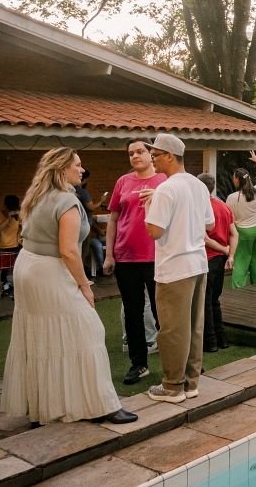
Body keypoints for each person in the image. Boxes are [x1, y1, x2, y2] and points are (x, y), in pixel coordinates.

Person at [1, 147, 136, 425]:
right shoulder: (66, 201)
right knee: (90, 331)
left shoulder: (37, 195)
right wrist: (85, 285)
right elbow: (69, 250)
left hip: (27, 266)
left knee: (42, 336)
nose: (82, 169)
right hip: (49, 271)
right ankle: (102, 406)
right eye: (77, 164)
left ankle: (43, 407)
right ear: (62, 169)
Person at [143, 133, 215, 404]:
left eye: (155, 155)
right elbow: (209, 224)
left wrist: (148, 207)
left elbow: (154, 231)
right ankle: (190, 383)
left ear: (170, 156)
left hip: (174, 266)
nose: (152, 159)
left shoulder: (166, 189)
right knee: (194, 326)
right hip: (198, 264)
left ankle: (172, 386)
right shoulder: (198, 186)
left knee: (173, 329)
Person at [103, 140, 165, 385]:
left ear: (151, 155)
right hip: (126, 257)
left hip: (156, 257)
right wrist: (109, 255)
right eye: (131, 153)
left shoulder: (164, 181)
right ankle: (139, 364)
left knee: (163, 313)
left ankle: (175, 364)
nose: (135, 156)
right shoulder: (123, 182)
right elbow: (113, 220)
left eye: (140, 152)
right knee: (132, 313)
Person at [197, 173, 236, 353]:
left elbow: (204, 238)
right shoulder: (224, 206)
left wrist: (225, 251)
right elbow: (234, 234)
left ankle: (211, 342)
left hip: (209, 257)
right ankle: (222, 339)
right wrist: (230, 255)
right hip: (221, 259)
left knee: (205, 301)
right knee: (214, 300)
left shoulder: (200, 207)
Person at [226, 153, 256, 287]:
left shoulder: (232, 198)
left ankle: (238, 290)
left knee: (240, 263)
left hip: (243, 233)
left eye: (234, 178)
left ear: (237, 180)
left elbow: (229, 218)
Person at [74, 170, 108, 279]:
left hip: (75, 225)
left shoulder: (72, 191)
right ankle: (81, 275)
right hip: (85, 226)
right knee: (83, 251)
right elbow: (91, 207)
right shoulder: (82, 192)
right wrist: (101, 201)